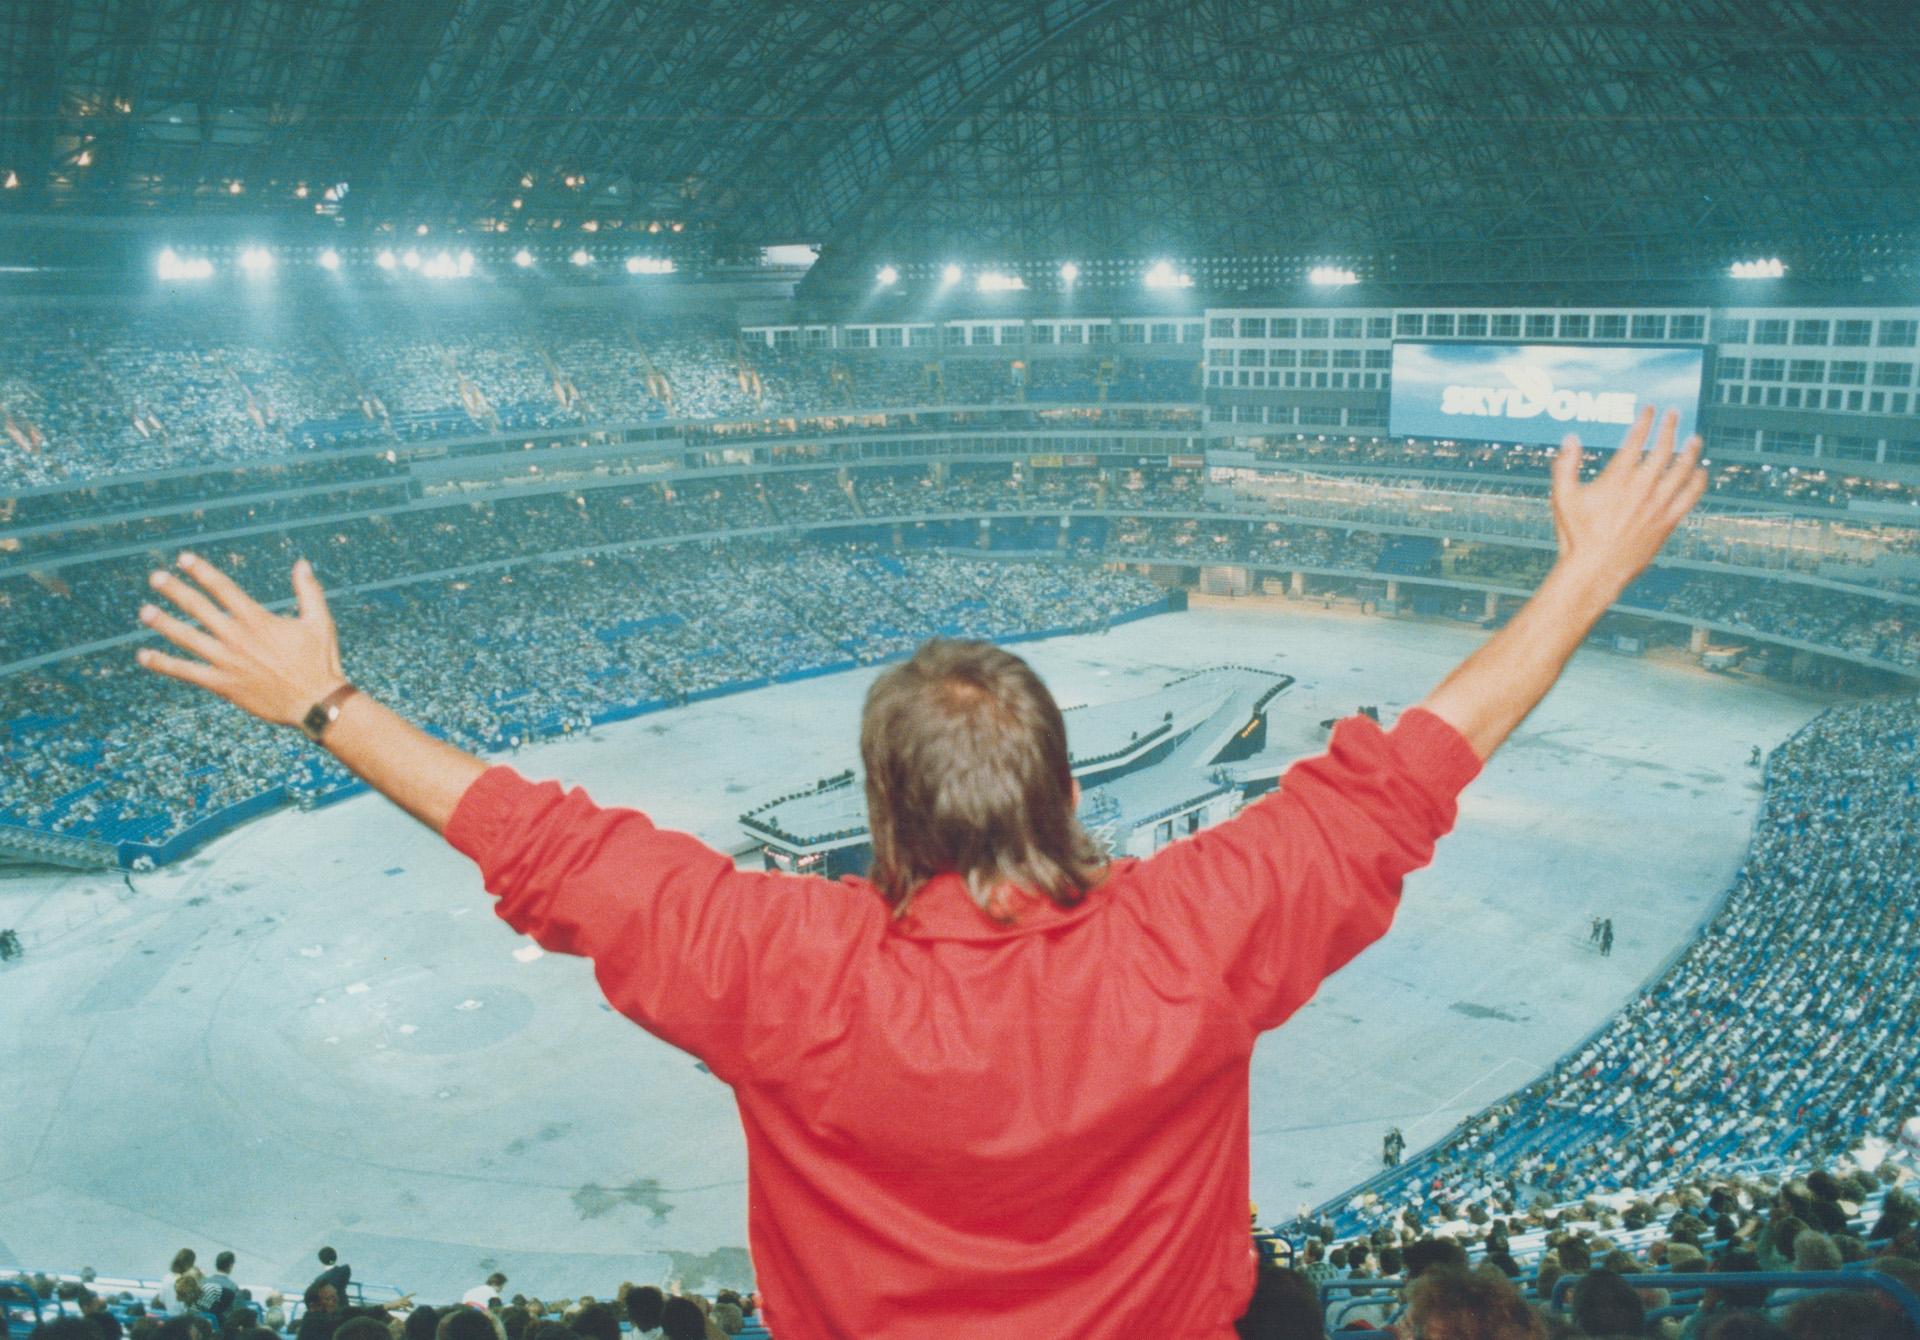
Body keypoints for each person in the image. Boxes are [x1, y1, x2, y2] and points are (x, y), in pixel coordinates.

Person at [133, 408, 1708, 1338]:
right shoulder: (1195, 937)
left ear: (884, 819)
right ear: (1065, 787)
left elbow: (551, 849)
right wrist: (1585, 574)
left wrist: (328, 706)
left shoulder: (782, 968)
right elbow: (1406, 776)